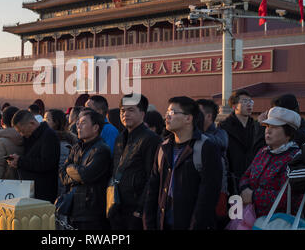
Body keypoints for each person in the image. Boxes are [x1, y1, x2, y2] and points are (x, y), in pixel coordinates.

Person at [143, 96, 222, 230]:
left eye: (172, 113)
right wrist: (148, 223)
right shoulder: (163, 147)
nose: (167, 116)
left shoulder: (206, 148)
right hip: (162, 223)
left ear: (188, 118)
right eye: (167, 113)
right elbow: (152, 190)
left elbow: (208, 197)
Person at [240, 106, 303, 218]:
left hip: (278, 222)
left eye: (275, 127)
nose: (268, 130)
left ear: (288, 133)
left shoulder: (296, 158)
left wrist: (254, 196)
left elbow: (289, 197)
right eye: (267, 126)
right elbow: (246, 175)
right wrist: (244, 189)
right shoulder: (263, 152)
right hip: (251, 218)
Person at [109, 93, 160, 230]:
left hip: (135, 209)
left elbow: (153, 177)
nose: (125, 114)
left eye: (131, 110)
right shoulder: (120, 137)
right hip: (117, 205)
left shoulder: (151, 139)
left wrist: (140, 209)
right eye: (123, 111)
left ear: (143, 114)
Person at [59, 108, 112, 230]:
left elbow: (86, 175)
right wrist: (76, 174)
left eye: (83, 123)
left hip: (91, 211)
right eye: (78, 123)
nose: (78, 126)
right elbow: (62, 174)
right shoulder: (76, 147)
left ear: (95, 128)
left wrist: (70, 168)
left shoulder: (101, 150)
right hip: (73, 207)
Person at [218, 90, 264, 195]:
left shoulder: (256, 127)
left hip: (253, 179)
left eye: (250, 101)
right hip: (232, 180)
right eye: (244, 101)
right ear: (234, 106)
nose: (249, 104)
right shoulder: (224, 126)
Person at [9, 110, 60, 203]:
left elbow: (47, 163)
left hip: (43, 194)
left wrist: (20, 161)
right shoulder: (30, 137)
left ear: (32, 123)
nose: (22, 134)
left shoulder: (49, 135)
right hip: (29, 191)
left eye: (22, 131)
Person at [197, 99, 229, 228]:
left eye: (197, 112)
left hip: (217, 192)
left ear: (209, 116)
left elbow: (220, 144)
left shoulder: (220, 134)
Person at [44, 109, 78, 197]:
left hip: (56, 191)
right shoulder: (46, 139)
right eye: (44, 119)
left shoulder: (61, 143)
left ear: (56, 123)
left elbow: (61, 172)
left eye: (47, 119)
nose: (44, 122)